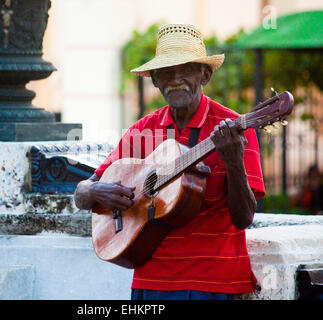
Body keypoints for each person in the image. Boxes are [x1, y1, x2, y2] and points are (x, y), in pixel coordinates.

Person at [74, 24, 265, 300]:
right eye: (166, 72)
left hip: (216, 283)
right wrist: (94, 191)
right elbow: (81, 193)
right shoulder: (142, 131)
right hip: (150, 282)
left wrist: (234, 163)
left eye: (185, 69)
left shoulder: (234, 130)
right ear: (154, 80)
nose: (175, 79)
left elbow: (244, 218)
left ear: (205, 75)